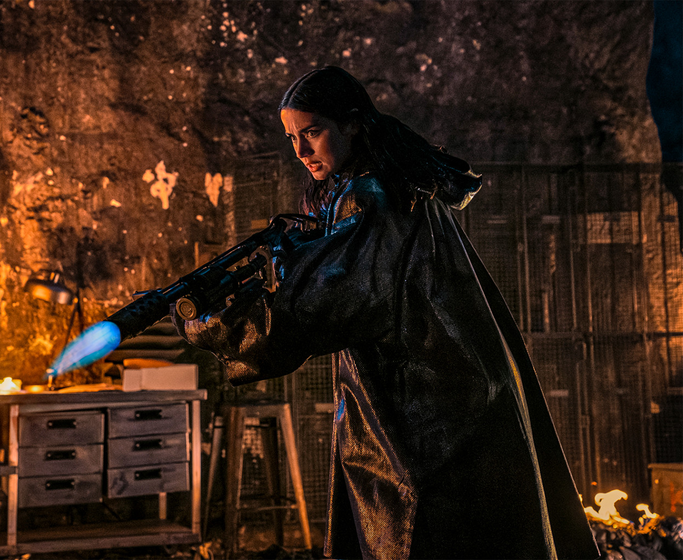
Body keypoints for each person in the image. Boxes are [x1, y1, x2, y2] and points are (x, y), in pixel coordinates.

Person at [173, 66, 598, 560]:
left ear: (353, 124)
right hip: (449, 409)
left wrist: (218, 324)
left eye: (312, 132)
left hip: (427, 425)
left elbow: (317, 310)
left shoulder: (371, 197)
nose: (301, 151)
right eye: (292, 137)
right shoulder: (396, 184)